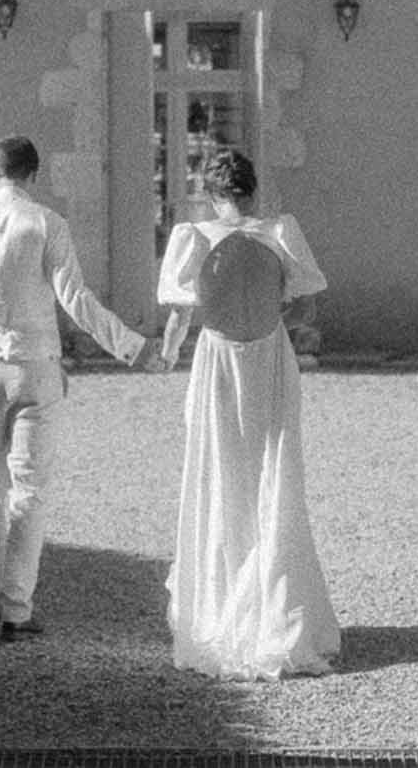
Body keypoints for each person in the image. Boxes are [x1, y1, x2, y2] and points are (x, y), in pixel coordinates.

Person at [0, 134, 167, 643]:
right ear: (34, 175)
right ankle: (16, 606)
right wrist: (134, 347)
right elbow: (77, 301)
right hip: (35, 368)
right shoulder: (47, 223)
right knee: (30, 491)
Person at [155, 149, 341, 679]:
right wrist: (270, 305)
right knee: (273, 477)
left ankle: (217, 609)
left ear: (209, 194)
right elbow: (305, 307)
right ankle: (275, 611)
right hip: (268, 360)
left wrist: (163, 358)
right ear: (252, 191)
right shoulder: (280, 232)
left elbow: (179, 318)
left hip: (217, 361)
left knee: (220, 478)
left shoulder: (190, 239)